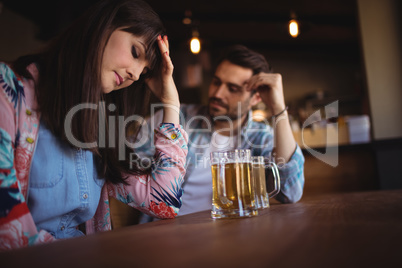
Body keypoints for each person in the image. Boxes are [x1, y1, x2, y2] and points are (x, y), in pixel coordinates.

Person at [0, 0, 188, 250]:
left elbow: (164, 202)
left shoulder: (101, 122)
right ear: (103, 27)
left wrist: (170, 102)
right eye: (135, 52)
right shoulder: (8, 90)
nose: (134, 74)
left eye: (143, 73)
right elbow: (8, 230)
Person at [135, 45, 304, 219]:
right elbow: (129, 168)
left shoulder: (260, 136)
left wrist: (278, 109)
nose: (218, 93)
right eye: (216, 82)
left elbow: (289, 193)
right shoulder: (176, 116)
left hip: (233, 234)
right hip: (168, 233)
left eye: (232, 89)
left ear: (256, 98)